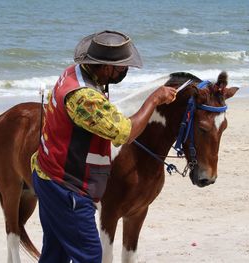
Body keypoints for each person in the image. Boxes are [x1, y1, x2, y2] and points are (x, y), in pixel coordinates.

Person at [31, 30, 176, 263]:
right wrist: (154, 99)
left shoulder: (72, 73)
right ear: (107, 67)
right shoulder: (84, 97)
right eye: (123, 67)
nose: (125, 72)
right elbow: (125, 132)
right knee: (89, 257)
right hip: (68, 189)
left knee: (54, 255)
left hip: (48, 175)